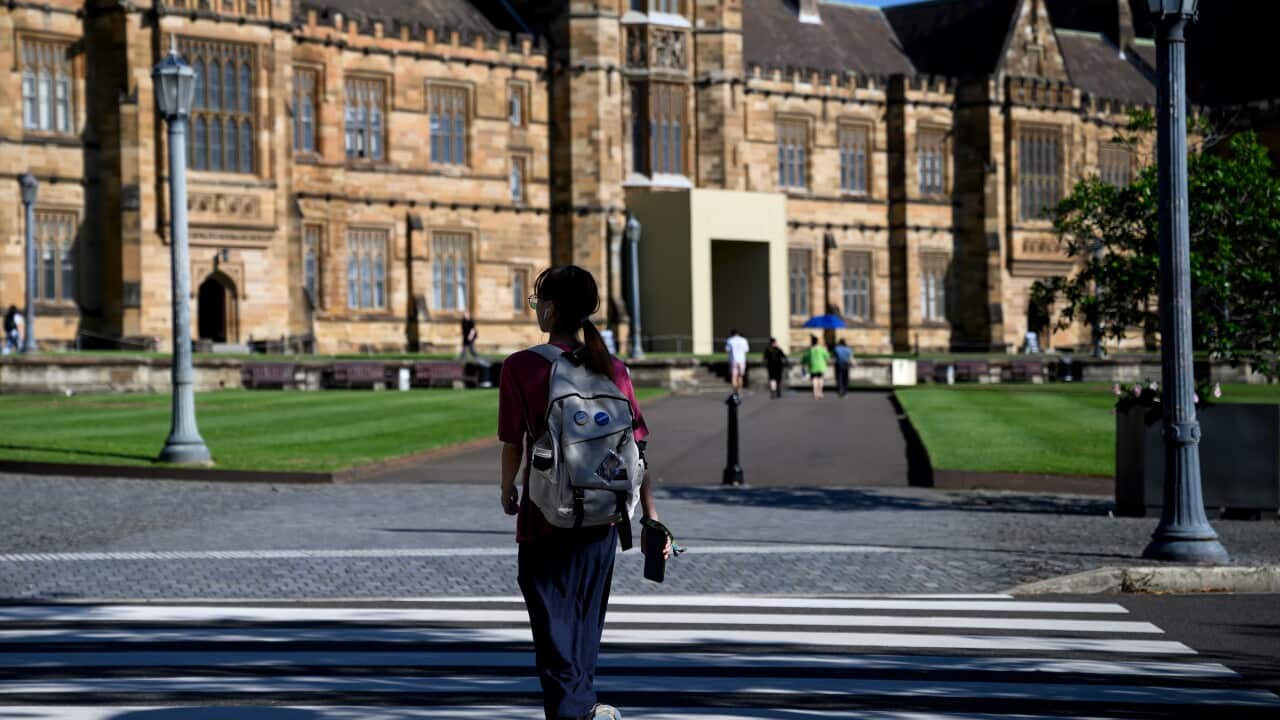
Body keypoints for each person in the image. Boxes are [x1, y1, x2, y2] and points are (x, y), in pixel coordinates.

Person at [498, 265, 671, 720]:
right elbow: (639, 448)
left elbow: (512, 441)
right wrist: (650, 517)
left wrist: (507, 488)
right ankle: (584, 706)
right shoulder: (612, 367)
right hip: (603, 516)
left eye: (538, 302)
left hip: (543, 515)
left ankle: (577, 712)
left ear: (551, 308)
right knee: (583, 626)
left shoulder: (521, 366)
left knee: (554, 630)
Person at [801, 334, 830, 399]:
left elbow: (804, 358)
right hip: (821, 366)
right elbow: (827, 356)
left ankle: (815, 393)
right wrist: (826, 349)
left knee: (814, 379)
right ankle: (820, 392)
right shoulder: (821, 349)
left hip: (813, 366)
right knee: (820, 379)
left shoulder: (810, 349)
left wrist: (803, 364)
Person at [724, 328, 749, 395]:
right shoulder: (744, 340)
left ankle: (735, 391)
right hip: (742, 360)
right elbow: (746, 350)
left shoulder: (730, 340)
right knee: (740, 376)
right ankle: (740, 390)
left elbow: (727, 350)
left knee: (734, 376)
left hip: (733, 360)